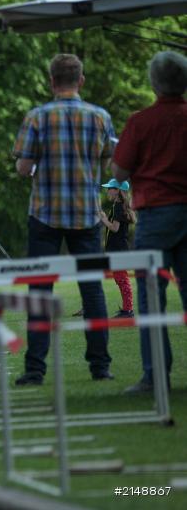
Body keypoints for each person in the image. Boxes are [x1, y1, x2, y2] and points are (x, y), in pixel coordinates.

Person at [11, 53, 115, 385]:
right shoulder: (100, 117)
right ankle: (100, 367)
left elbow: (23, 167)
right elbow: (111, 163)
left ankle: (35, 369)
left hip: (45, 213)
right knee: (92, 291)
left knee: (40, 290)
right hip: (87, 214)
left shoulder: (37, 117)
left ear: (52, 82)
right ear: (80, 81)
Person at [112, 50, 187, 395]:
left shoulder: (141, 122)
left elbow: (120, 171)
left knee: (150, 297)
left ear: (154, 83)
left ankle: (155, 375)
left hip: (156, 214)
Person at [99, 179, 135, 318]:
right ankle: (127, 309)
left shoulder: (118, 206)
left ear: (118, 190)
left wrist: (103, 219)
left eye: (110, 188)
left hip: (118, 250)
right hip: (116, 249)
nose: (108, 191)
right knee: (120, 278)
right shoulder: (118, 205)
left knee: (122, 279)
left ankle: (128, 310)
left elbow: (115, 228)